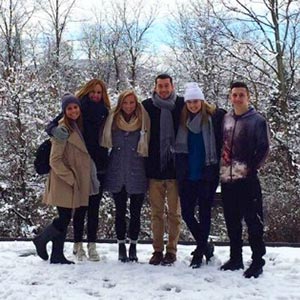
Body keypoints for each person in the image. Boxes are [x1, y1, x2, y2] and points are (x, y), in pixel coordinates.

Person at [46, 79, 111, 261]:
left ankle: (92, 245)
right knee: (81, 208)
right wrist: (53, 130)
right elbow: (56, 123)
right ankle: (77, 244)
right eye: (93, 92)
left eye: (99, 92)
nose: (96, 95)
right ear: (87, 92)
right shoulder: (78, 108)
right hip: (81, 165)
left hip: (100, 164)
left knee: (94, 208)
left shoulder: (106, 111)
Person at [33, 94, 93, 264]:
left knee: (65, 217)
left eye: (75, 107)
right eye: (69, 108)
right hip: (63, 180)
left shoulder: (76, 126)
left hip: (69, 180)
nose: (73, 111)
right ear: (64, 111)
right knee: (64, 217)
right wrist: (71, 178)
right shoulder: (63, 130)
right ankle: (41, 240)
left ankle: (57, 254)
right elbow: (55, 160)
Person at [220, 81, 270, 278]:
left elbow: (264, 149)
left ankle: (258, 260)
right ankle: (235, 258)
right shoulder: (226, 119)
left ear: (248, 97)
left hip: (247, 180)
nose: (238, 98)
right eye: (234, 95)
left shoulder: (257, 120)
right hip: (226, 178)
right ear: (230, 97)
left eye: (241, 95)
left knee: (253, 222)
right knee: (232, 221)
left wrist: (250, 168)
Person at [175, 82, 226, 268]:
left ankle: (199, 253)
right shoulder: (182, 121)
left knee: (205, 214)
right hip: (187, 174)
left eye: (196, 101)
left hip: (207, 173)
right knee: (187, 214)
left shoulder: (215, 118)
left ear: (202, 101)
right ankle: (205, 246)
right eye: (189, 102)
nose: (193, 105)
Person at [101, 90, 150, 262]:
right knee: (120, 211)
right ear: (120, 104)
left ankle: (133, 245)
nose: (128, 106)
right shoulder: (112, 121)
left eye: (132, 103)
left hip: (137, 170)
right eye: (125, 103)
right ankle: (121, 244)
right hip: (117, 170)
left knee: (136, 212)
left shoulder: (144, 120)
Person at [142, 74, 184, 266]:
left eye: (166, 86)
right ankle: (157, 250)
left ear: (172, 86)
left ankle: (172, 250)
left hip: (175, 170)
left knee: (175, 214)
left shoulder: (182, 104)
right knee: (156, 214)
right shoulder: (147, 106)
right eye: (160, 86)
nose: (164, 89)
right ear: (155, 87)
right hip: (154, 169)